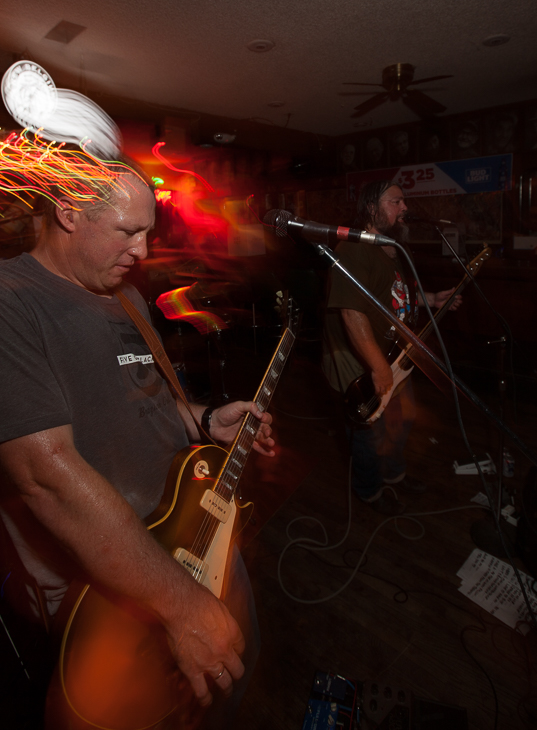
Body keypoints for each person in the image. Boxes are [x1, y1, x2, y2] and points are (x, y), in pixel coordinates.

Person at [0, 152, 274, 728]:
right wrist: (178, 602)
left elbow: (146, 398)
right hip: (113, 577)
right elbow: (45, 476)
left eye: (150, 233)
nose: (144, 252)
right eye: (129, 232)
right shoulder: (11, 300)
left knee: (226, 680)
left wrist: (203, 418)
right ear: (70, 212)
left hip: (193, 527)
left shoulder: (129, 299)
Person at [322, 180, 461, 515]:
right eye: (396, 202)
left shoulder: (392, 248)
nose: (405, 208)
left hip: (394, 355)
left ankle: (395, 475)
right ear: (371, 208)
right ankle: (370, 492)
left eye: (404, 202)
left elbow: (393, 296)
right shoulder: (354, 248)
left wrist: (430, 299)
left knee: (403, 419)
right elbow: (351, 312)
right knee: (369, 435)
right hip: (359, 363)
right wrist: (378, 367)